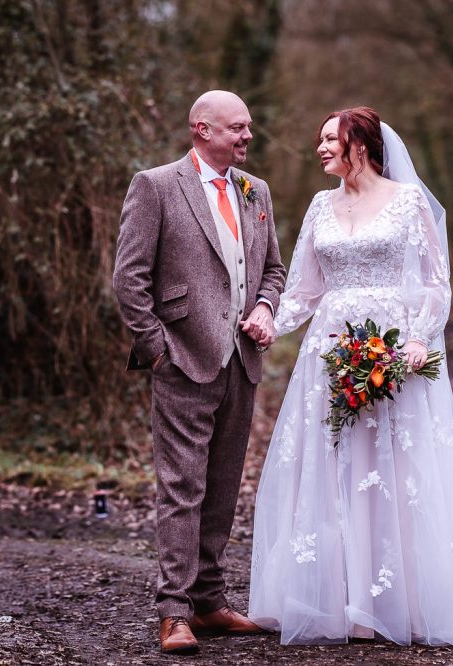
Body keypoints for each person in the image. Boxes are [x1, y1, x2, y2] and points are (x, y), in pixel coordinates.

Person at [248, 106, 453, 649]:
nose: (320, 147)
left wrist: (418, 340)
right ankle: (344, 601)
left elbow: (436, 283)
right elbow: (304, 289)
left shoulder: (409, 202)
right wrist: (268, 323)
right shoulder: (320, 206)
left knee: (389, 468)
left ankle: (397, 601)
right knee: (333, 467)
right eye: (319, 138)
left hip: (393, 348)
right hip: (329, 353)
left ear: (362, 145)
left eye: (331, 138)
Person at [113, 90, 286, 655]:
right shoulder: (156, 185)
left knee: (223, 486)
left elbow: (274, 272)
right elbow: (129, 278)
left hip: (243, 362)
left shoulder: (255, 190)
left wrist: (263, 308)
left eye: (249, 127)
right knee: (181, 487)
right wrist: (159, 349)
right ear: (200, 129)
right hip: (183, 359)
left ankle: (210, 603)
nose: (247, 136)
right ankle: (173, 612)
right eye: (236, 128)